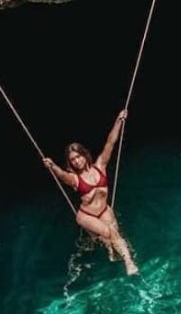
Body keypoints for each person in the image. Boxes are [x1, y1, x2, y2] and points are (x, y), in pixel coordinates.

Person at [43, 109, 139, 276]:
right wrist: (53, 166)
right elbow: (63, 176)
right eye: (73, 160)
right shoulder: (75, 179)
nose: (77, 161)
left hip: (103, 210)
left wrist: (118, 121)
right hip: (86, 215)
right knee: (110, 232)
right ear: (71, 163)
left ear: (84, 155)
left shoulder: (100, 166)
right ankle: (129, 263)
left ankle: (112, 250)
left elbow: (110, 143)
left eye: (79, 156)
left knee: (113, 236)